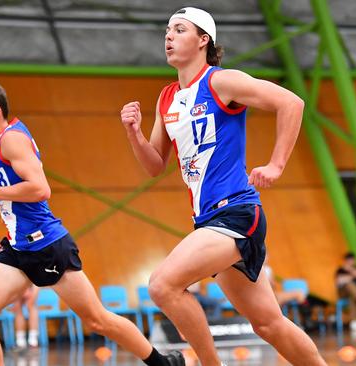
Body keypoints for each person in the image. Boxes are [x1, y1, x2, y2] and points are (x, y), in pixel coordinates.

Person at [120, 7, 326, 366]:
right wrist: (134, 134)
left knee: (162, 285)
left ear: (203, 41)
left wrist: (276, 164)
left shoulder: (220, 82)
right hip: (209, 221)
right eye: (167, 30)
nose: (168, 36)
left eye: (179, 29)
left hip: (235, 211)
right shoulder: (166, 98)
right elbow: (155, 165)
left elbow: (291, 103)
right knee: (268, 323)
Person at [0, 81, 184, 366]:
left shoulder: (11, 140)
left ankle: (162, 363)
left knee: (98, 320)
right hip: (18, 248)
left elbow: (41, 189)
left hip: (46, 245)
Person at [0, 234, 41, 349]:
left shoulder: (10, 249)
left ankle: (33, 340)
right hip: (17, 282)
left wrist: (27, 288)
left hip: (32, 277)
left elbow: (29, 267)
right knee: (17, 306)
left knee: (31, 304)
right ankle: (20, 340)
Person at [335, 253, 356, 333]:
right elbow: (339, 281)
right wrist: (353, 276)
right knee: (348, 284)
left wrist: (350, 271)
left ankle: (354, 322)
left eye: (352, 260)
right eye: (348, 260)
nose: (350, 262)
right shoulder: (340, 270)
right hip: (344, 292)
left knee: (352, 297)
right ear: (345, 261)